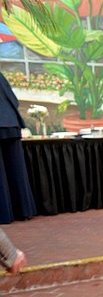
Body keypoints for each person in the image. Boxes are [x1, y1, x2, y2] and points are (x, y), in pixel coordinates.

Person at [0, 71, 37, 224]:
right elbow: (13, 100)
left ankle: (4, 215)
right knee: (17, 170)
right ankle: (24, 210)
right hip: (12, 123)